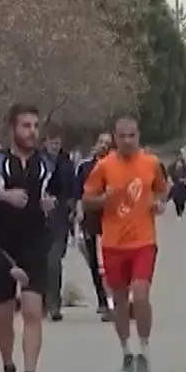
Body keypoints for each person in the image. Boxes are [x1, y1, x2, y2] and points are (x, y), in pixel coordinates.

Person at [0, 104, 60, 372]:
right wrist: (3, 195)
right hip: (1, 243)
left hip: (34, 242)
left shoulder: (47, 165)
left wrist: (51, 203)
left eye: (35, 125)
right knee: (3, 315)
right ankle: (8, 368)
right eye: (26, 126)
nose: (32, 131)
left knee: (32, 311)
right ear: (13, 128)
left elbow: (63, 192)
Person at [82, 117, 167, 372]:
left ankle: (144, 352)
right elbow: (86, 200)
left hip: (143, 241)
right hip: (113, 243)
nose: (128, 140)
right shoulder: (103, 167)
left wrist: (158, 203)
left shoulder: (151, 163)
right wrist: (102, 199)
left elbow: (162, 190)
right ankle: (126, 353)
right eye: (122, 136)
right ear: (115, 138)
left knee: (140, 296)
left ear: (138, 136)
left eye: (132, 135)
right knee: (120, 301)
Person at [74, 132, 113, 320]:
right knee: (94, 263)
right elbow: (78, 192)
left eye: (108, 143)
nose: (104, 146)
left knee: (109, 262)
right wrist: (79, 211)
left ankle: (113, 300)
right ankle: (103, 301)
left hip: (111, 221)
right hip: (90, 219)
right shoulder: (85, 166)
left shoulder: (115, 166)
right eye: (102, 142)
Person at [40, 128, 75, 322]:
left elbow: (73, 188)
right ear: (45, 142)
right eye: (51, 142)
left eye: (57, 142)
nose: (55, 145)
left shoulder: (67, 163)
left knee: (54, 260)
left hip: (61, 217)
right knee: (41, 261)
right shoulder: (37, 162)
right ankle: (44, 301)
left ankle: (54, 303)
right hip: (39, 218)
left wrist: (72, 206)